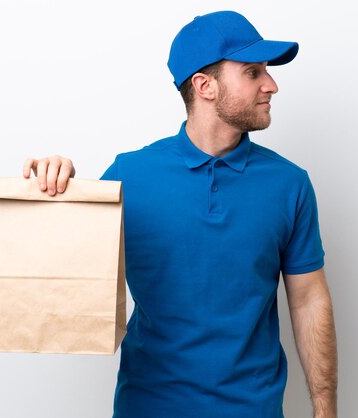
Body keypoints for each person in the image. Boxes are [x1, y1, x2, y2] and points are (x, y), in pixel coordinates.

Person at [23, 10, 337, 418]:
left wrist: (325, 409)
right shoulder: (128, 175)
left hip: (253, 408)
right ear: (204, 86)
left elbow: (309, 300)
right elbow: (61, 277)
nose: (271, 85)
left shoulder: (289, 184)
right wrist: (53, 192)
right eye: (253, 72)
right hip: (148, 406)